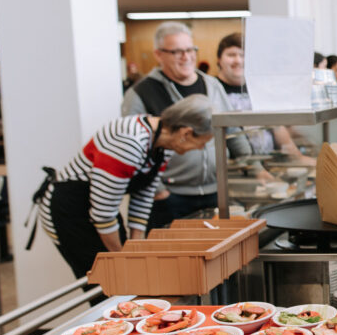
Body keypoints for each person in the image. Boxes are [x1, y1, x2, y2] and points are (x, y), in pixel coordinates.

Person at [34, 94, 214, 279]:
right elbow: (103, 214)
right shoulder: (129, 143)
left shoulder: (164, 144)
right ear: (186, 133)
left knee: (124, 277)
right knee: (106, 280)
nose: (201, 148)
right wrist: (124, 260)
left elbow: (143, 196)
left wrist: (135, 250)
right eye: (203, 142)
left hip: (96, 211)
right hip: (70, 211)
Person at [121, 21, 251, 229]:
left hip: (217, 192)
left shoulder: (212, 85)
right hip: (170, 197)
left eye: (190, 50)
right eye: (177, 52)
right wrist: (159, 192)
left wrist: (254, 168)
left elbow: (233, 130)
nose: (186, 57)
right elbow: (134, 150)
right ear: (158, 54)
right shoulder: (140, 93)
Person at [215, 32, 316, 167]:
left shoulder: (257, 87)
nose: (238, 60)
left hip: (268, 163)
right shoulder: (213, 88)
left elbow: (276, 126)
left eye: (243, 55)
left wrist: (296, 157)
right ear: (219, 59)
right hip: (235, 167)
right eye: (231, 55)